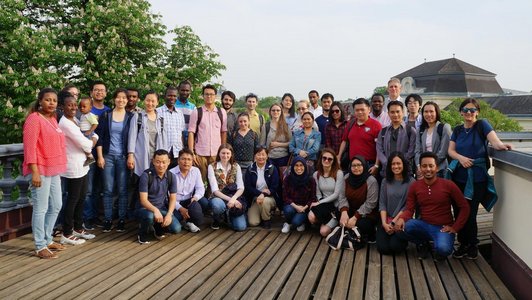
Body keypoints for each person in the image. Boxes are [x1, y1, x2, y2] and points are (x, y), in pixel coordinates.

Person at [447, 98, 513, 260]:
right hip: (458, 177)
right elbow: (451, 151)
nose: (469, 113)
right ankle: (462, 243)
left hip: (476, 178)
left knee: (470, 212)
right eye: (465, 110)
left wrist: (501, 146)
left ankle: (472, 244)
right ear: (461, 112)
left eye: (472, 110)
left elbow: (494, 142)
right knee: (458, 210)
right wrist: (461, 159)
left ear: (477, 112)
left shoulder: (482, 125)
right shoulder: (457, 130)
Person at [396, 152, 470, 261]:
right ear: (420, 168)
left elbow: (465, 207)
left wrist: (455, 227)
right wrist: (401, 218)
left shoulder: (448, 185)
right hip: (424, 225)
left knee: (444, 250)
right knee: (400, 229)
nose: (428, 169)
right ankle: (423, 243)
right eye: (424, 166)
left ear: (437, 168)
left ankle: (438, 245)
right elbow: (410, 209)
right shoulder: (415, 186)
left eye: (431, 166)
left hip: (443, 228)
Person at [23, 88, 67, 258]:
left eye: (54, 101)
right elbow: (30, 148)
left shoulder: (53, 119)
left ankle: (48, 239)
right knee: (41, 208)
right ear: (40, 101)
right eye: (47, 100)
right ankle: (40, 245)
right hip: (39, 169)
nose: (51, 103)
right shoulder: (34, 119)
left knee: (56, 205)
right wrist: (34, 172)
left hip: (54, 169)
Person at [58, 94, 98, 246]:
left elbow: (91, 137)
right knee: (73, 199)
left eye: (75, 104)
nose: (74, 107)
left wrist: (92, 139)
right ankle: (67, 233)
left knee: (81, 198)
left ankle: (78, 228)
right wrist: (93, 139)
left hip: (83, 164)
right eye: (70, 105)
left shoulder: (74, 120)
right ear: (62, 106)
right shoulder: (65, 124)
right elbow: (87, 144)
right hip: (73, 166)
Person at [95, 88, 134, 232]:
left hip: (123, 157)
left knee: (123, 189)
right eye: (118, 97)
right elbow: (100, 137)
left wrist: (131, 155)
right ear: (114, 99)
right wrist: (99, 156)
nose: (121, 100)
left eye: (124, 98)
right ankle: (108, 219)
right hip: (108, 156)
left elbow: (133, 138)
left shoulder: (131, 117)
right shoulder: (106, 115)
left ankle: (122, 219)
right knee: (108, 190)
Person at [127, 91, 167, 214]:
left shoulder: (160, 119)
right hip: (141, 158)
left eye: (153, 101)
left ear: (157, 103)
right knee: (140, 185)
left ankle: (153, 211)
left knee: (154, 185)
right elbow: (132, 136)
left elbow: (164, 139)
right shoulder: (138, 117)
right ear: (144, 101)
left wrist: (165, 158)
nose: (150, 103)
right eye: (148, 100)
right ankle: (139, 213)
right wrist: (130, 155)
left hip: (156, 160)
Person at [82, 81, 111, 230]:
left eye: (102, 90)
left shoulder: (108, 111)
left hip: (105, 155)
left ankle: (96, 216)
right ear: (91, 92)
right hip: (87, 155)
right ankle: (88, 218)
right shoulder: (85, 109)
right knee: (88, 189)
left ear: (106, 93)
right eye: (96, 90)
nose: (99, 92)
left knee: (100, 188)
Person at [137, 149, 181, 244]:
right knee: (149, 216)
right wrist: (155, 210)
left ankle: (157, 227)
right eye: (158, 162)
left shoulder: (171, 176)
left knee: (176, 228)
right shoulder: (146, 175)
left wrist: (169, 214)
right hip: (145, 209)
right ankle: (142, 234)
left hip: (162, 208)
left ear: (169, 162)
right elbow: (143, 200)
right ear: (153, 161)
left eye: (164, 162)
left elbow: (173, 198)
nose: (161, 165)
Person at [376, 152, 413, 255]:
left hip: (401, 220)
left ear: (404, 165)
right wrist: (384, 223)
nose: (396, 166)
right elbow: (382, 203)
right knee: (383, 249)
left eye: (398, 163)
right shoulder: (385, 181)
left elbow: (408, 206)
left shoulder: (411, 182)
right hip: (386, 219)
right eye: (393, 164)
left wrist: (394, 222)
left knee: (395, 247)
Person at [188, 84, 228, 181]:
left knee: (215, 181)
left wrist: (222, 151)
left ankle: (214, 197)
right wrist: (191, 153)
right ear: (203, 96)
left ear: (215, 96)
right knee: (200, 181)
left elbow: (223, 132)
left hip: (216, 154)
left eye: (211, 94)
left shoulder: (221, 112)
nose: (209, 96)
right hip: (200, 154)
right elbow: (191, 133)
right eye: (206, 94)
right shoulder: (197, 112)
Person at [338, 156, 379, 243]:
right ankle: (350, 231)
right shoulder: (346, 178)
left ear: (364, 166)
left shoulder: (371, 181)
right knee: (338, 214)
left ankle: (363, 234)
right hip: (350, 210)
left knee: (363, 225)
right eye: (354, 165)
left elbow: (371, 204)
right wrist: (344, 212)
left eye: (359, 165)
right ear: (350, 167)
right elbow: (342, 196)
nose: (356, 168)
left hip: (366, 214)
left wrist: (356, 217)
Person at [207, 144, 247, 231]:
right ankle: (217, 218)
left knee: (240, 227)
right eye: (223, 153)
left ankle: (227, 216)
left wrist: (234, 199)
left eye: (228, 153)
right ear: (219, 154)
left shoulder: (236, 166)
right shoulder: (212, 166)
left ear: (231, 154)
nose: (225, 156)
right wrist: (231, 200)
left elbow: (241, 187)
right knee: (217, 206)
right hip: (217, 197)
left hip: (233, 196)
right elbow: (215, 190)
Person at [337, 98, 382, 175]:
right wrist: (338, 157)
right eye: (357, 110)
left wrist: (376, 165)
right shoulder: (350, 124)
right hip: (352, 164)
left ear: (369, 109)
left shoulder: (376, 125)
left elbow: (380, 147)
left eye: (362, 109)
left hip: (369, 165)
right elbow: (344, 141)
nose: (360, 112)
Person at [308, 148, 344, 237]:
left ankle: (333, 222)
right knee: (311, 217)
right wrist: (320, 204)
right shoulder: (316, 174)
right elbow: (318, 193)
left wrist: (319, 203)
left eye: (330, 159)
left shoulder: (338, 173)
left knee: (323, 232)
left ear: (333, 161)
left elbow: (336, 194)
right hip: (325, 204)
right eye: (324, 158)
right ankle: (324, 221)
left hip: (336, 205)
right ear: (321, 159)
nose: (326, 160)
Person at [376, 101, 416, 178]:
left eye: (398, 111)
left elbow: (411, 151)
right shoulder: (383, 131)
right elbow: (379, 150)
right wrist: (389, 163)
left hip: (405, 171)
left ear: (403, 112)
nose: (395, 114)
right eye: (392, 112)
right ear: (388, 114)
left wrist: (399, 164)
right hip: (386, 171)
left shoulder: (410, 131)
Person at [169, 149, 206, 233]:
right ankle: (184, 221)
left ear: (192, 161)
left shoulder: (196, 171)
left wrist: (195, 197)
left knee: (202, 205)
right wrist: (180, 208)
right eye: (183, 159)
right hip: (174, 203)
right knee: (175, 226)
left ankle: (190, 221)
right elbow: (168, 196)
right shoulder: (171, 173)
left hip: (189, 201)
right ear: (178, 160)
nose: (186, 162)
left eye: (189, 159)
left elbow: (200, 188)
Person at [244, 147, 280, 229]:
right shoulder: (250, 169)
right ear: (255, 156)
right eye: (258, 154)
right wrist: (260, 194)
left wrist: (263, 195)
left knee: (265, 202)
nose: (261, 157)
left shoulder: (272, 168)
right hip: (255, 198)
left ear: (267, 156)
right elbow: (248, 187)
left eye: (263, 154)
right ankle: (262, 213)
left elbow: (275, 187)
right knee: (253, 222)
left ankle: (266, 220)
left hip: (269, 198)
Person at [415, 101, 452, 178]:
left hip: (439, 170)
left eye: (431, 111)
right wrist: (420, 165)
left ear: (436, 112)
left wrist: (429, 165)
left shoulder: (444, 128)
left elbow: (443, 152)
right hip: (424, 171)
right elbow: (417, 150)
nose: (428, 114)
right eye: (426, 112)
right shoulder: (420, 130)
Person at [281, 157, 317, 233]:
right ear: (293, 166)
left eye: (301, 165)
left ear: (305, 167)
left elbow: (313, 198)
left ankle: (300, 222)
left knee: (296, 222)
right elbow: (285, 197)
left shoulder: (310, 180)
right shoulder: (288, 179)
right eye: (296, 165)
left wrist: (304, 208)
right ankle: (287, 223)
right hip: (292, 205)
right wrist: (296, 207)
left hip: (304, 208)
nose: (299, 168)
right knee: (288, 210)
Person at [156, 86, 186, 168]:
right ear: (165, 96)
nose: (172, 98)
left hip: (177, 152)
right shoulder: (157, 112)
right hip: (163, 152)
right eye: (169, 95)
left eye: (174, 96)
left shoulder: (180, 113)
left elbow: (181, 133)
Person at [259, 103, 291, 169]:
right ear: (270, 112)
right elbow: (262, 144)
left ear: (281, 112)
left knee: (282, 179)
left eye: (278, 110)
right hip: (270, 158)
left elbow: (291, 143)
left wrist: (278, 144)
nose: (275, 112)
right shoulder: (266, 126)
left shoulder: (286, 126)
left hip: (284, 158)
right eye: (273, 110)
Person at [174, 80, 196, 146]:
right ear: (178, 90)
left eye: (187, 90)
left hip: (188, 141)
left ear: (190, 91)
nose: (185, 92)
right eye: (182, 90)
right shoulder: (173, 105)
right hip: (175, 141)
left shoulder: (193, 107)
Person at [78, 96, 98, 165]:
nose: (82, 108)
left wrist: (90, 131)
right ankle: (88, 157)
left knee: (86, 146)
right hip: (83, 132)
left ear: (90, 107)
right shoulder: (83, 115)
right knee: (83, 146)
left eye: (84, 106)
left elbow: (95, 123)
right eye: (80, 107)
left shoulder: (90, 115)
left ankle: (90, 157)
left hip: (87, 133)